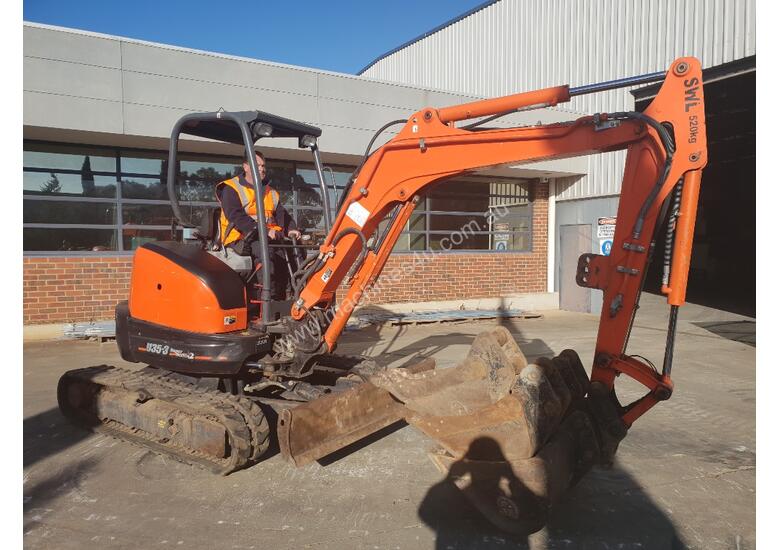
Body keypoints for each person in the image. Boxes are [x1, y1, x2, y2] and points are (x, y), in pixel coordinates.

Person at [215, 151, 300, 300]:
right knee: (265, 251)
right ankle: (268, 300)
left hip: (264, 236)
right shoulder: (232, 188)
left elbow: (282, 215)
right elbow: (236, 216)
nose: (262, 169)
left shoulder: (270, 192)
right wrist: (265, 231)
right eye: (258, 165)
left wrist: (291, 228)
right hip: (239, 237)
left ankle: (293, 294)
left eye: (263, 165)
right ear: (246, 167)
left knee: (294, 250)